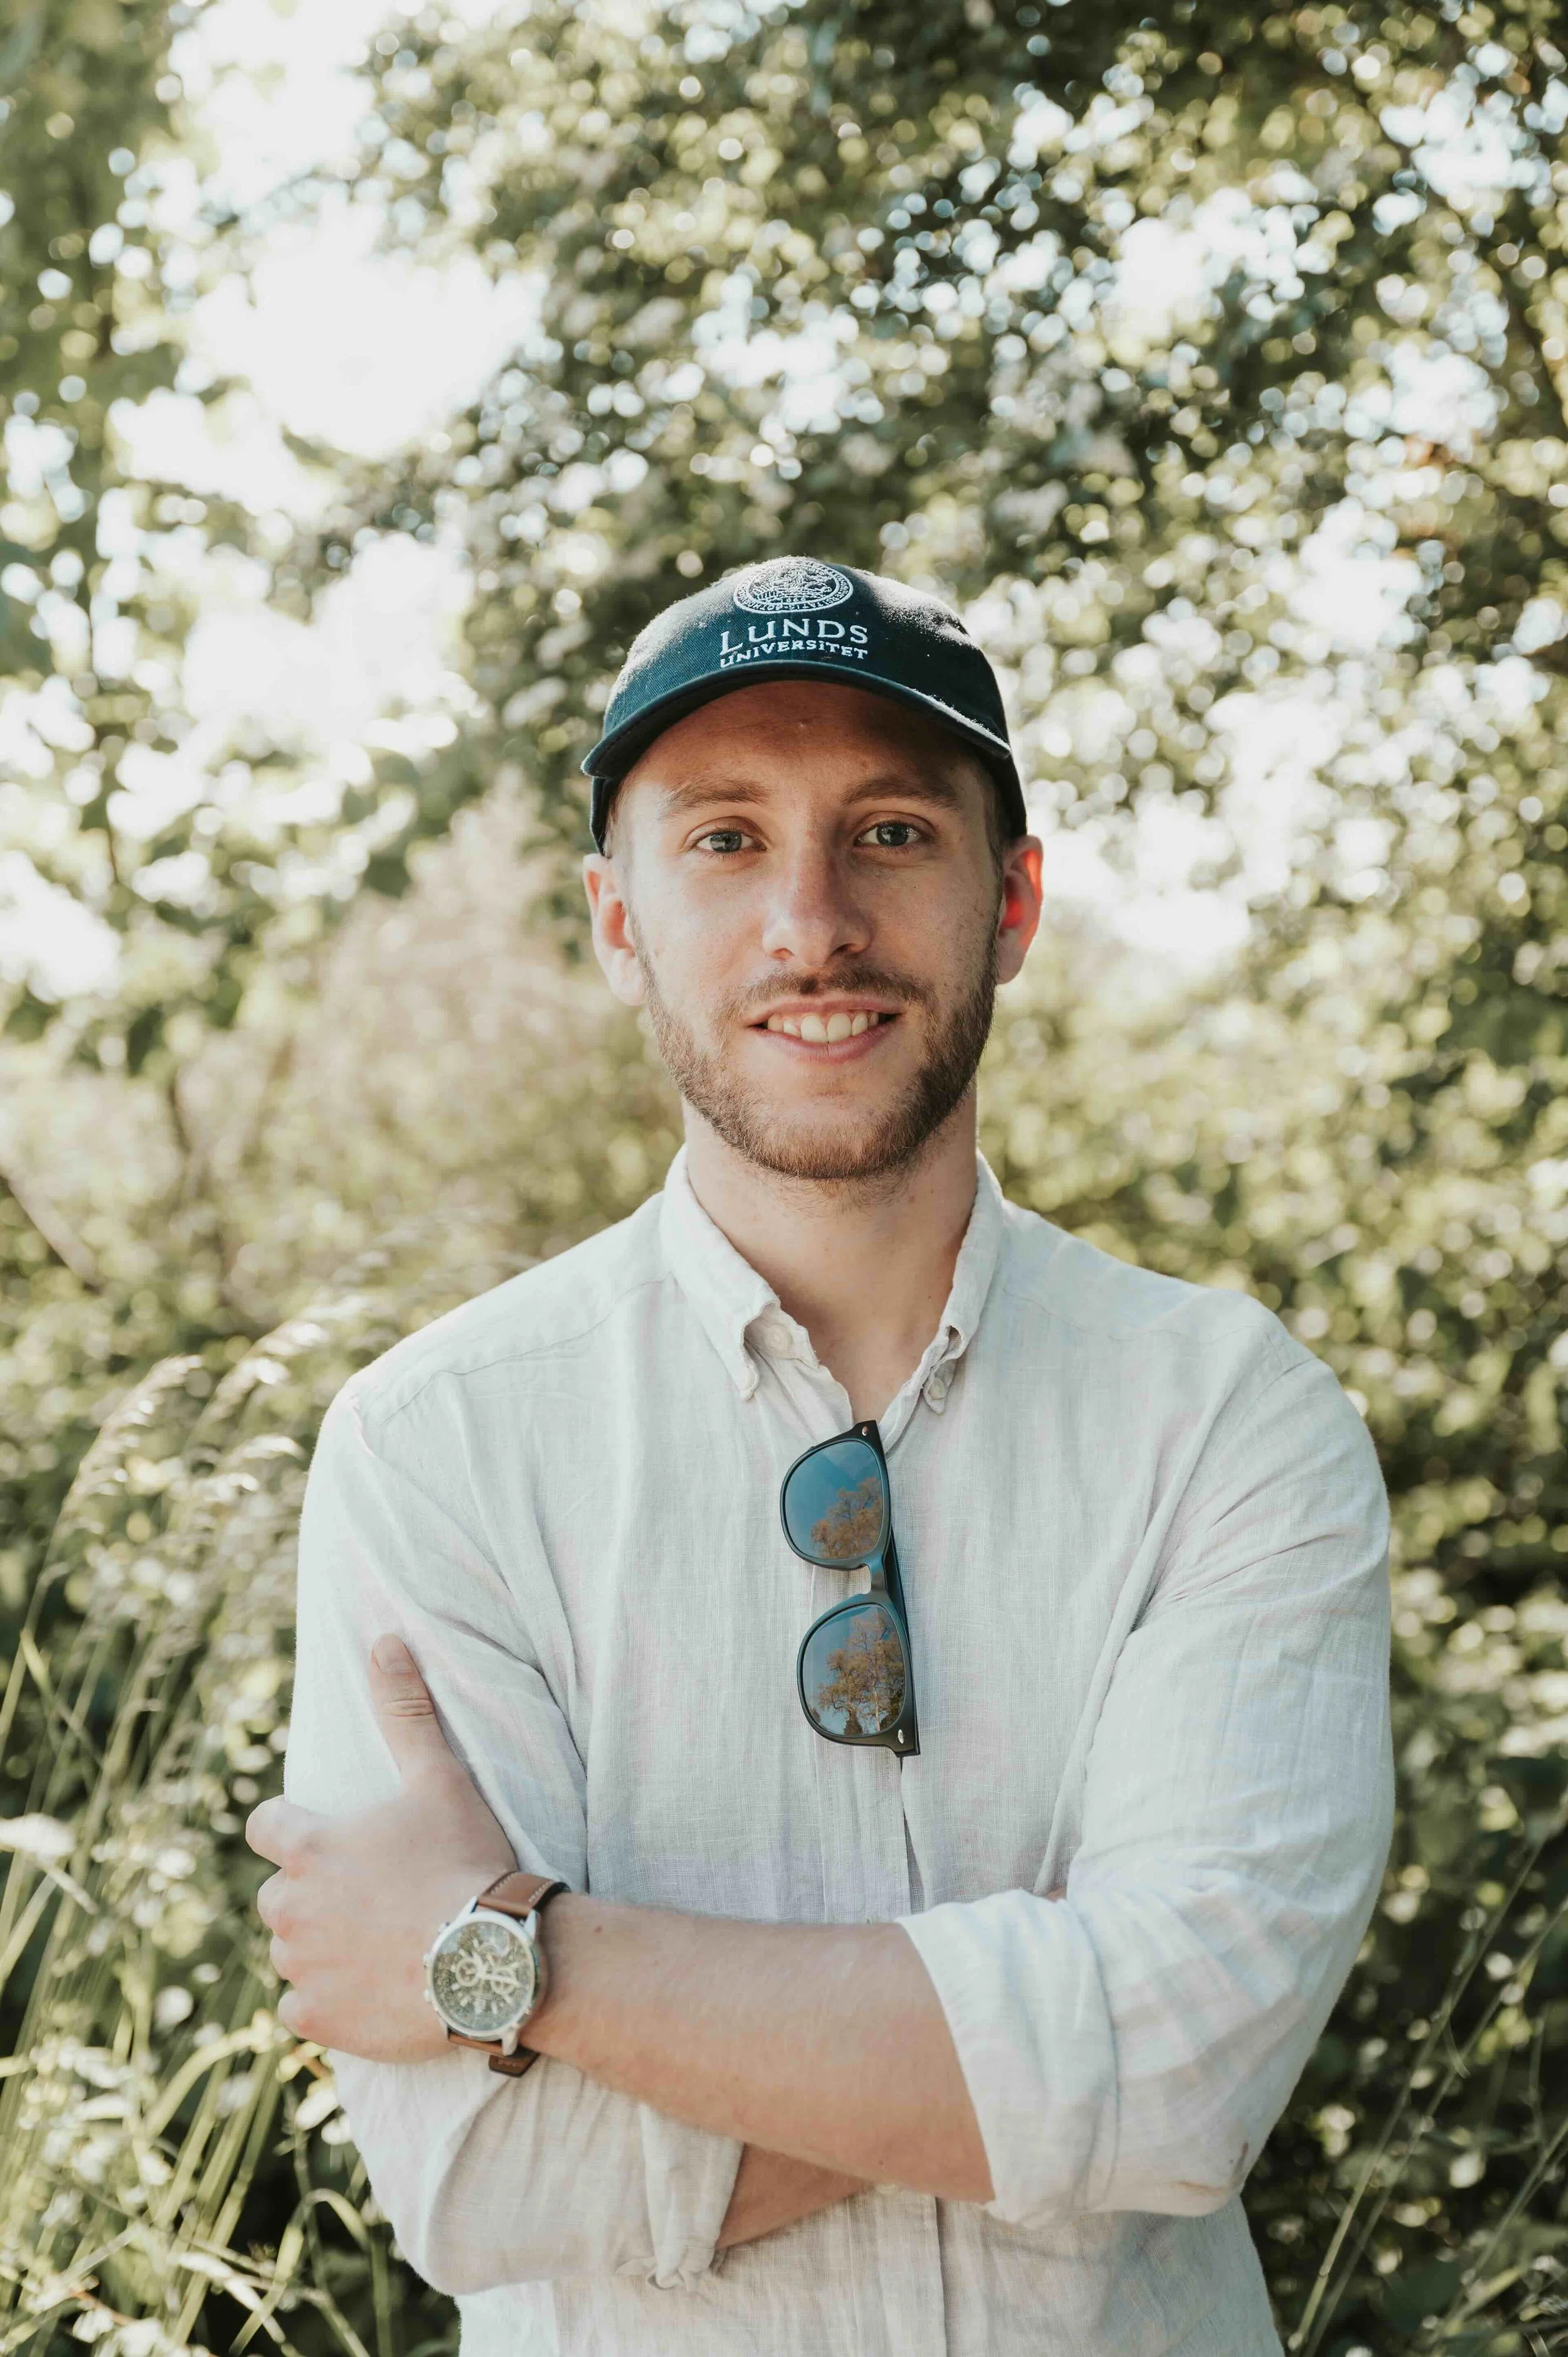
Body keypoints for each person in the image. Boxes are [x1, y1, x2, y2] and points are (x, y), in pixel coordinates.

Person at [248, 556, 1393, 2356]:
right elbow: (473, 2178)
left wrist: (513, 1959)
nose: (809, 919)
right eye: (720, 839)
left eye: (885, 832)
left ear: (1007, 899)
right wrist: (1037, 2046)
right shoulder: (439, 1443)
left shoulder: (1226, 1414)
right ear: (617, 919)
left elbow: (1184, 2067)